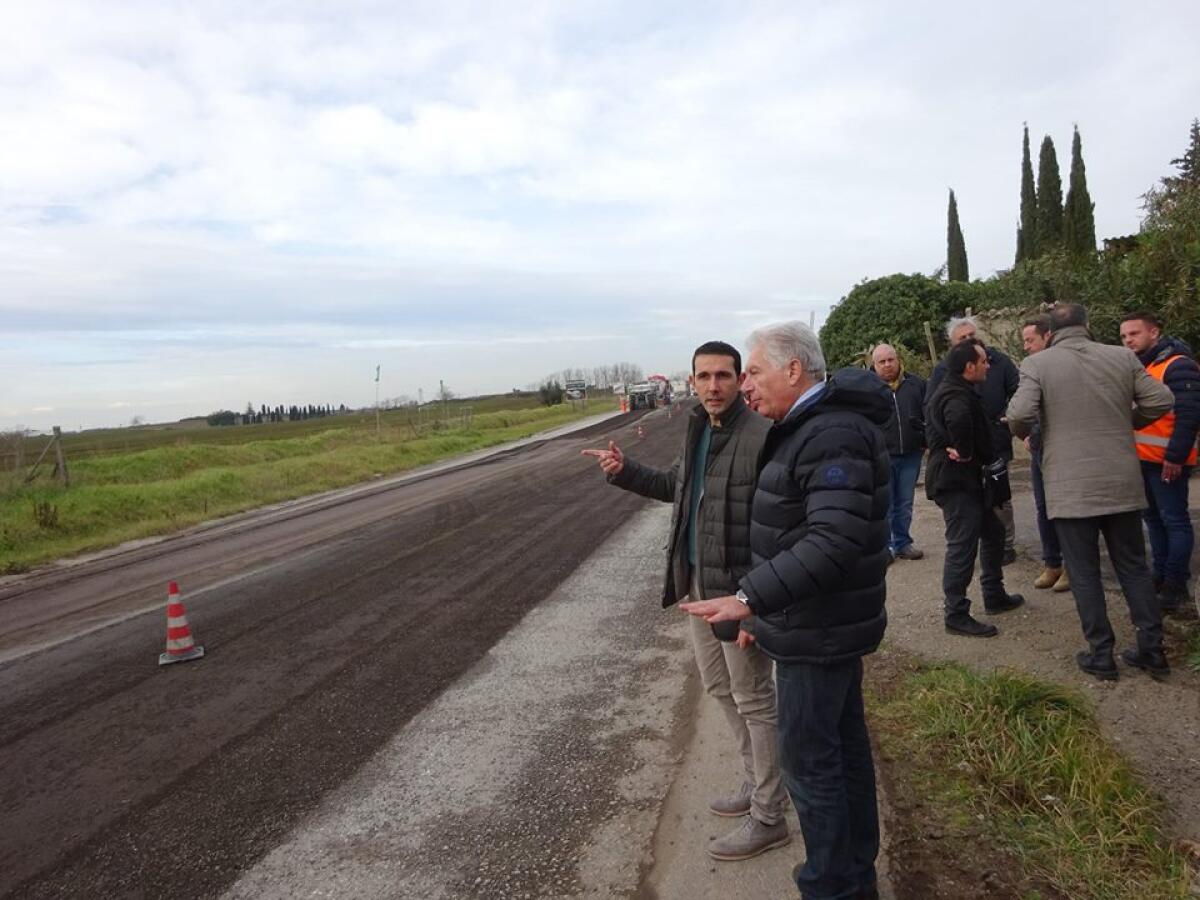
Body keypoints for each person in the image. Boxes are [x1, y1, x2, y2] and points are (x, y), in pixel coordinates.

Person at [679, 322, 888, 900]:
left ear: (793, 370)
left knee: (815, 767)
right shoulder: (810, 427)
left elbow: (831, 542)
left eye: (753, 371)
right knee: (842, 758)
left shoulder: (828, 434)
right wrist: (762, 611)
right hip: (814, 623)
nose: (746, 385)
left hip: (816, 631)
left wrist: (749, 599)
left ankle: (831, 885)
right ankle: (853, 876)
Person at [582, 341, 789, 861]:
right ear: (693, 381)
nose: (713, 386)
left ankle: (770, 812)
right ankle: (754, 781)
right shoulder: (701, 427)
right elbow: (676, 486)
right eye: (704, 377)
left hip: (739, 594)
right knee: (720, 688)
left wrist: (757, 604)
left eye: (723, 376)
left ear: (741, 380)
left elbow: (778, 531)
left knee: (755, 698)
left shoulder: (762, 436)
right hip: (699, 585)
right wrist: (623, 469)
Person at [1007, 303, 1175, 680]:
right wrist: (1124, 419)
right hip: (1122, 482)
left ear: (1049, 333)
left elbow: (1018, 414)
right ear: (1087, 325)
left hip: (1071, 490)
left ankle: (1102, 655)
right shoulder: (1121, 357)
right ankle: (1152, 650)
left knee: (1083, 573)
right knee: (1133, 566)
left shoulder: (1038, 364)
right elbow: (1163, 400)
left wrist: (1031, 437)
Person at [925, 338, 1025, 637]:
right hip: (955, 482)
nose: (988, 365)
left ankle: (993, 594)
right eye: (983, 361)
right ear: (969, 367)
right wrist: (966, 452)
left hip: (966, 481)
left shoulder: (959, 389)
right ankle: (956, 614)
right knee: (962, 546)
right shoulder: (955, 395)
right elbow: (957, 420)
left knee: (993, 533)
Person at [1119, 311, 1200, 619]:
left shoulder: (1178, 365)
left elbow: (1190, 414)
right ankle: (1162, 575)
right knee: (1153, 521)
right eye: (1124, 336)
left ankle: (1176, 583)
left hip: (1167, 462)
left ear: (1154, 333)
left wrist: (1176, 456)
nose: (1128, 340)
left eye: (1134, 334)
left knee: (1174, 521)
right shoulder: (1142, 366)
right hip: (1142, 460)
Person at [927, 316, 1020, 563]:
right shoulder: (945, 374)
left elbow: (1018, 391)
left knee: (1000, 497)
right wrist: (957, 445)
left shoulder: (999, 361)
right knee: (965, 516)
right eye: (963, 338)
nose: (969, 340)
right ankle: (959, 590)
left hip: (995, 441)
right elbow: (940, 410)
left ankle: (1005, 550)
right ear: (952, 344)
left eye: (971, 336)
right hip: (961, 456)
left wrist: (1008, 417)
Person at [1020, 316, 1069, 593]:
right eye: (1024, 341)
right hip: (1039, 445)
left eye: (1030, 340)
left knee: (1063, 510)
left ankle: (1072, 567)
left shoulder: (1061, 365)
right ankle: (1053, 563)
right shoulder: (1032, 367)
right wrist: (1028, 432)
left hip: (1061, 449)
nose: (1026, 346)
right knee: (1042, 508)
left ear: (1047, 336)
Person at [870, 343, 926, 561]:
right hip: (882, 456)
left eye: (890, 360)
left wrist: (925, 440)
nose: (887, 365)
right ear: (873, 365)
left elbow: (927, 413)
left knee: (905, 503)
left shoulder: (917, 384)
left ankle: (903, 542)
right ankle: (886, 547)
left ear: (898, 360)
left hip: (911, 454)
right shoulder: (869, 390)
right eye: (881, 362)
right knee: (886, 504)